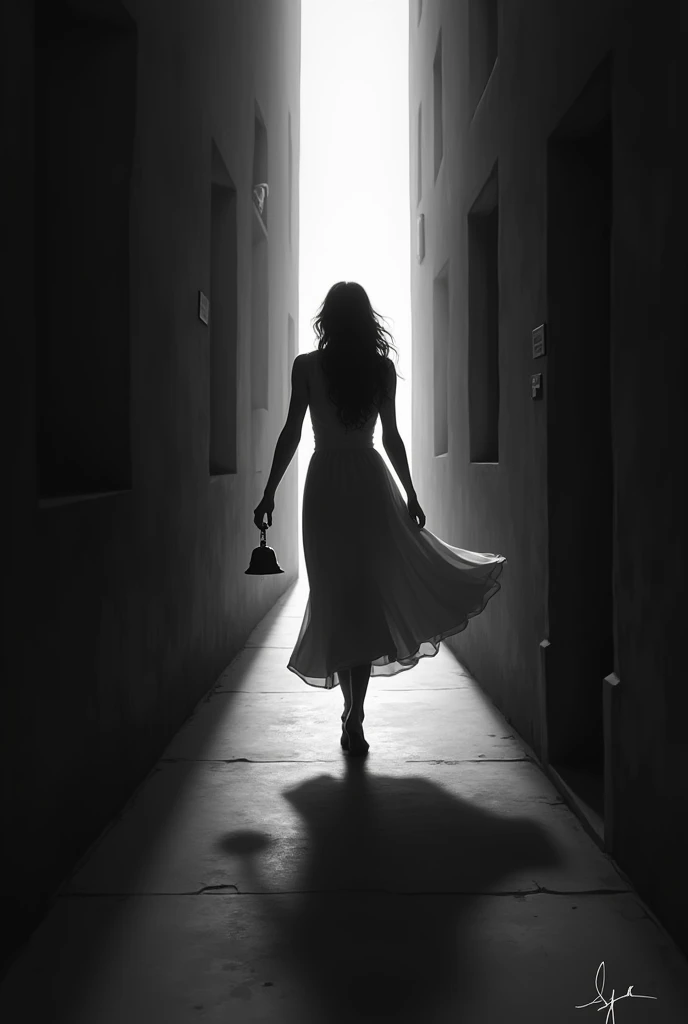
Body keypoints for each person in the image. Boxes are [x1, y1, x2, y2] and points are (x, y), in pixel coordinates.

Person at [253, 282, 506, 756]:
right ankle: (357, 713)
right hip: (369, 483)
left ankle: (349, 708)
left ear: (327, 318)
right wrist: (409, 492)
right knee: (365, 598)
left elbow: (292, 432)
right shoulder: (380, 369)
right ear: (367, 319)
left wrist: (268, 492)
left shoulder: (307, 367)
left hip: (325, 485)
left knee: (336, 596)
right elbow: (390, 437)